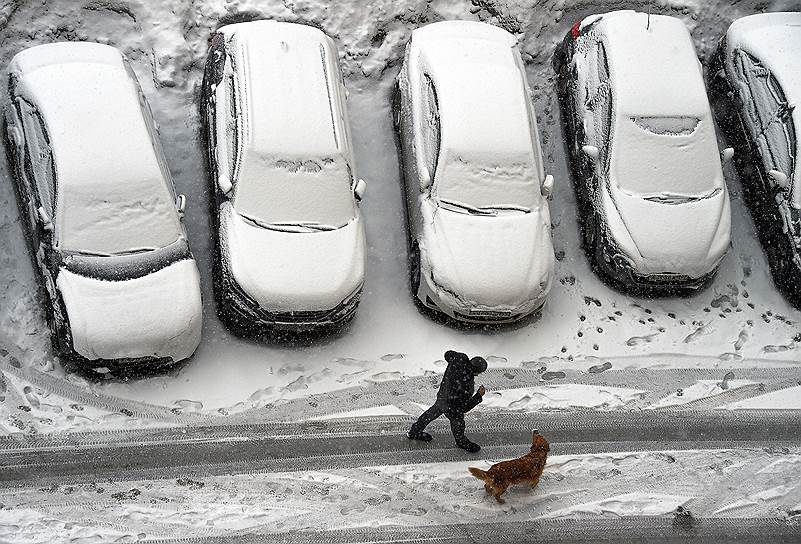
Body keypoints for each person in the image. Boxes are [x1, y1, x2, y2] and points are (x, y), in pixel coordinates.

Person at [407, 350, 488, 453]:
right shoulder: (468, 385)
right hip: (453, 406)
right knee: (458, 422)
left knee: (430, 414)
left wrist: (454, 361)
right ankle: (462, 442)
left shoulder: (460, 358)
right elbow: (465, 407)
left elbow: (448, 354)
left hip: (443, 397)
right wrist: (478, 396)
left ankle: (414, 432)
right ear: (477, 371)